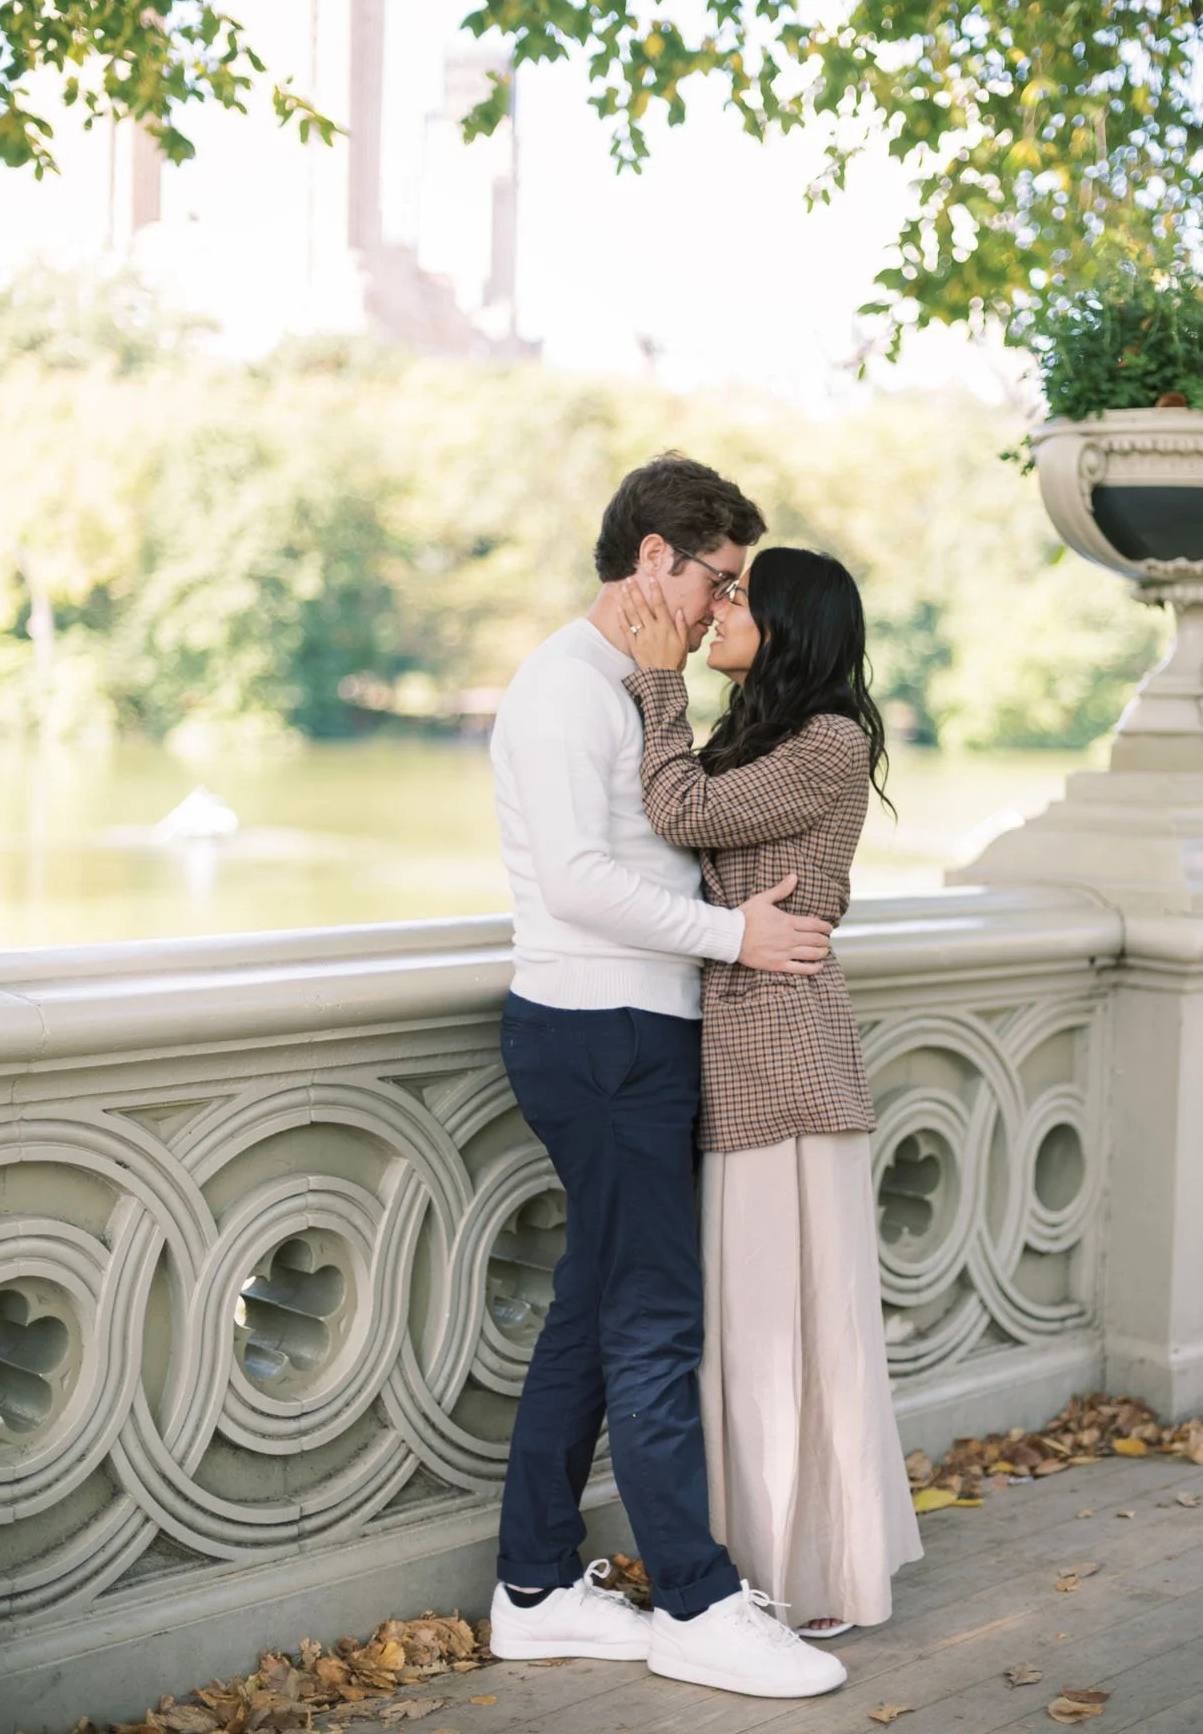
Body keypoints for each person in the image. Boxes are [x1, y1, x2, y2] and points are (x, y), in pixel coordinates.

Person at [487, 454, 849, 1699]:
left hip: (635, 1032)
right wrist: (737, 936)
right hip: (600, 1035)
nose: (720, 608)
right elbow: (581, 883)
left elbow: (684, 825)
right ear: (655, 558)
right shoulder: (564, 688)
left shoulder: (634, 688)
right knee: (654, 1326)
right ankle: (696, 1603)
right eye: (718, 580)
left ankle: (534, 1587)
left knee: (598, 1314)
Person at [616, 546, 923, 1637]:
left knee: (788, 1331)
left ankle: (810, 1576)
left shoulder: (829, 740)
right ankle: (760, 1559)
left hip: (785, 1056)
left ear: (790, 624)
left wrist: (658, 681)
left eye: (741, 597)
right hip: (747, 1044)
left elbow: (679, 810)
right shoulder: (770, 732)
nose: (718, 610)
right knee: (754, 1328)